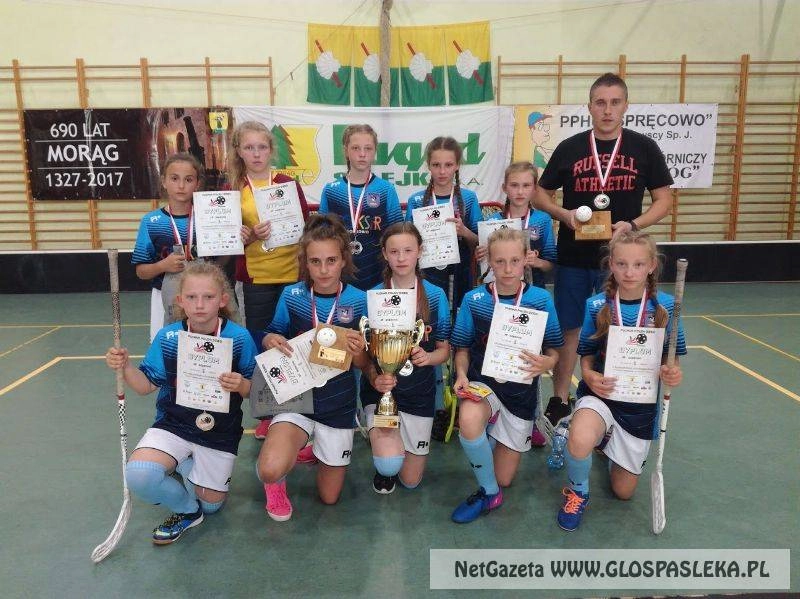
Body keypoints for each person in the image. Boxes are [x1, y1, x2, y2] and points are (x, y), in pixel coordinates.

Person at [533, 72, 674, 428]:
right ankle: (559, 398)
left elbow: (664, 200)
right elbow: (540, 194)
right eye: (600, 102)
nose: (607, 110)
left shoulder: (643, 148)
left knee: (618, 328)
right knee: (569, 330)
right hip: (574, 257)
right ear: (590, 107)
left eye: (614, 102)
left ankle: (612, 397)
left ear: (625, 106)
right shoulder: (570, 148)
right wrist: (563, 214)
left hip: (622, 262)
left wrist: (633, 225)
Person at [105, 261, 257, 545]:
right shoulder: (168, 337)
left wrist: (241, 385)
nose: (199, 305)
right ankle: (187, 511)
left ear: (223, 300)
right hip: (173, 425)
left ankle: (185, 466)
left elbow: (255, 391)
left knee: (211, 506)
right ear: (180, 300)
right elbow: (145, 386)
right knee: (140, 475)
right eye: (191, 297)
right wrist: (125, 367)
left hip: (218, 433)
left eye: (208, 297)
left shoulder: (238, 338)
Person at [555, 231, 686, 531]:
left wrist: (672, 372)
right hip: (600, 395)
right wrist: (589, 374)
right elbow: (586, 354)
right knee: (580, 439)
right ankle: (578, 492)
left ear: (651, 266)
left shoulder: (667, 307)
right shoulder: (596, 305)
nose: (630, 272)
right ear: (611, 265)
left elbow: (673, 358)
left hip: (639, 406)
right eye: (622, 264)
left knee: (623, 492)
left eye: (638, 265)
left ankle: (607, 441)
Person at [256, 214, 372, 521]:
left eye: (331, 261)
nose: (323, 269)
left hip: (338, 403)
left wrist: (359, 353)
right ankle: (277, 483)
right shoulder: (292, 295)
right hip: (297, 397)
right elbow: (271, 333)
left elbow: (365, 365)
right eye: (315, 261)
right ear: (305, 263)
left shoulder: (360, 300)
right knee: (269, 468)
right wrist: (270, 339)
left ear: (343, 260)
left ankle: (315, 446)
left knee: (329, 498)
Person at [449, 228, 563, 523]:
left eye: (514, 261)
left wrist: (547, 362)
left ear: (526, 259)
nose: (508, 269)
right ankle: (489, 493)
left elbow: (554, 350)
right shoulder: (474, 299)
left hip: (520, 392)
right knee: (469, 421)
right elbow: (462, 348)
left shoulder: (540, 299)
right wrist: (461, 374)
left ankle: (493, 435)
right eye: (500, 262)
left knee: (505, 478)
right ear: (490, 261)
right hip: (483, 382)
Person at [227, 120, 310, 442]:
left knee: (293, 344)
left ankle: (298, 408)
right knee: (261, 345)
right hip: (256, 278)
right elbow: (224, 242)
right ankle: (266, 412)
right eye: (249, 147)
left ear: (271, 150)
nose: (256, 153)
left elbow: (306, 229)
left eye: (262, 147)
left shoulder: (288, 184)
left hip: (292, 276)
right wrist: (247, 236)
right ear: (239, 151)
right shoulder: (233, 190)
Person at [360, 223, 451, 494]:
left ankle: (392, 442)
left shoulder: (435, 296)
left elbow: (444, 350)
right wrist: (375, 378)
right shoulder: (373, 296)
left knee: (410, 481)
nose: (401, 258)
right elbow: (363, 355)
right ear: (384, 254)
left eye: (408, 250)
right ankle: (382, 442)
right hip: (381, 392)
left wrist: (428, 357)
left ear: (419, 252)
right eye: (394, 251)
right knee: (389, 465)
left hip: (419, 392)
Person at [476, 160, 556, 447]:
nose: (520, 191)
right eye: (514, 185)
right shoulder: (492, 222)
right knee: (498, 356)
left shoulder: (542, 220)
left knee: (529, 361)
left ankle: (532, 417)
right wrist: (480, 255)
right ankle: (495, 411)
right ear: (504, 188)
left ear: (534, 189)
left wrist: (537, 261)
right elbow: (484, 266)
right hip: (499, 300)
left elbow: (551, 263)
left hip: (531, 301)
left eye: (526, 185)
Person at [319, 124, 403, 291]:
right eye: (356, 148)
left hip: (378, 274)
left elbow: (398, 235)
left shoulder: (386, 190)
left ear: (375, 152)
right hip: (339, 275)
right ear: (346, 151)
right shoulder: (331, 191)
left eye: (368, 148)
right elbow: (320, 236)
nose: (362, 154)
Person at [132, 152, 203, 342]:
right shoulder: (151, 222)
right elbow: (141, 272)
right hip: (164, 296)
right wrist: (163, 266)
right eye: (174, 178)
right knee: (166, 349)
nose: (181, 186)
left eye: (188, 179)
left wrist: (234, 240)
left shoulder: (208, 218)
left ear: (197, 184)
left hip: (203, 297)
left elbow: (222, 261)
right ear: (163, 181)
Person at [405, 136, 482, 310]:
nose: (442, 171)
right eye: (436, 165)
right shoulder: (416, 200)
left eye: (448, 165)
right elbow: (406, 242)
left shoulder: (469, 199)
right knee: (428, 315)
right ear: (428, 165)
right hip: (425, 273)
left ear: (457, 166)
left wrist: (464, 231)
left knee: (457, 315)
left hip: (460, 273)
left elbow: (481, 243)